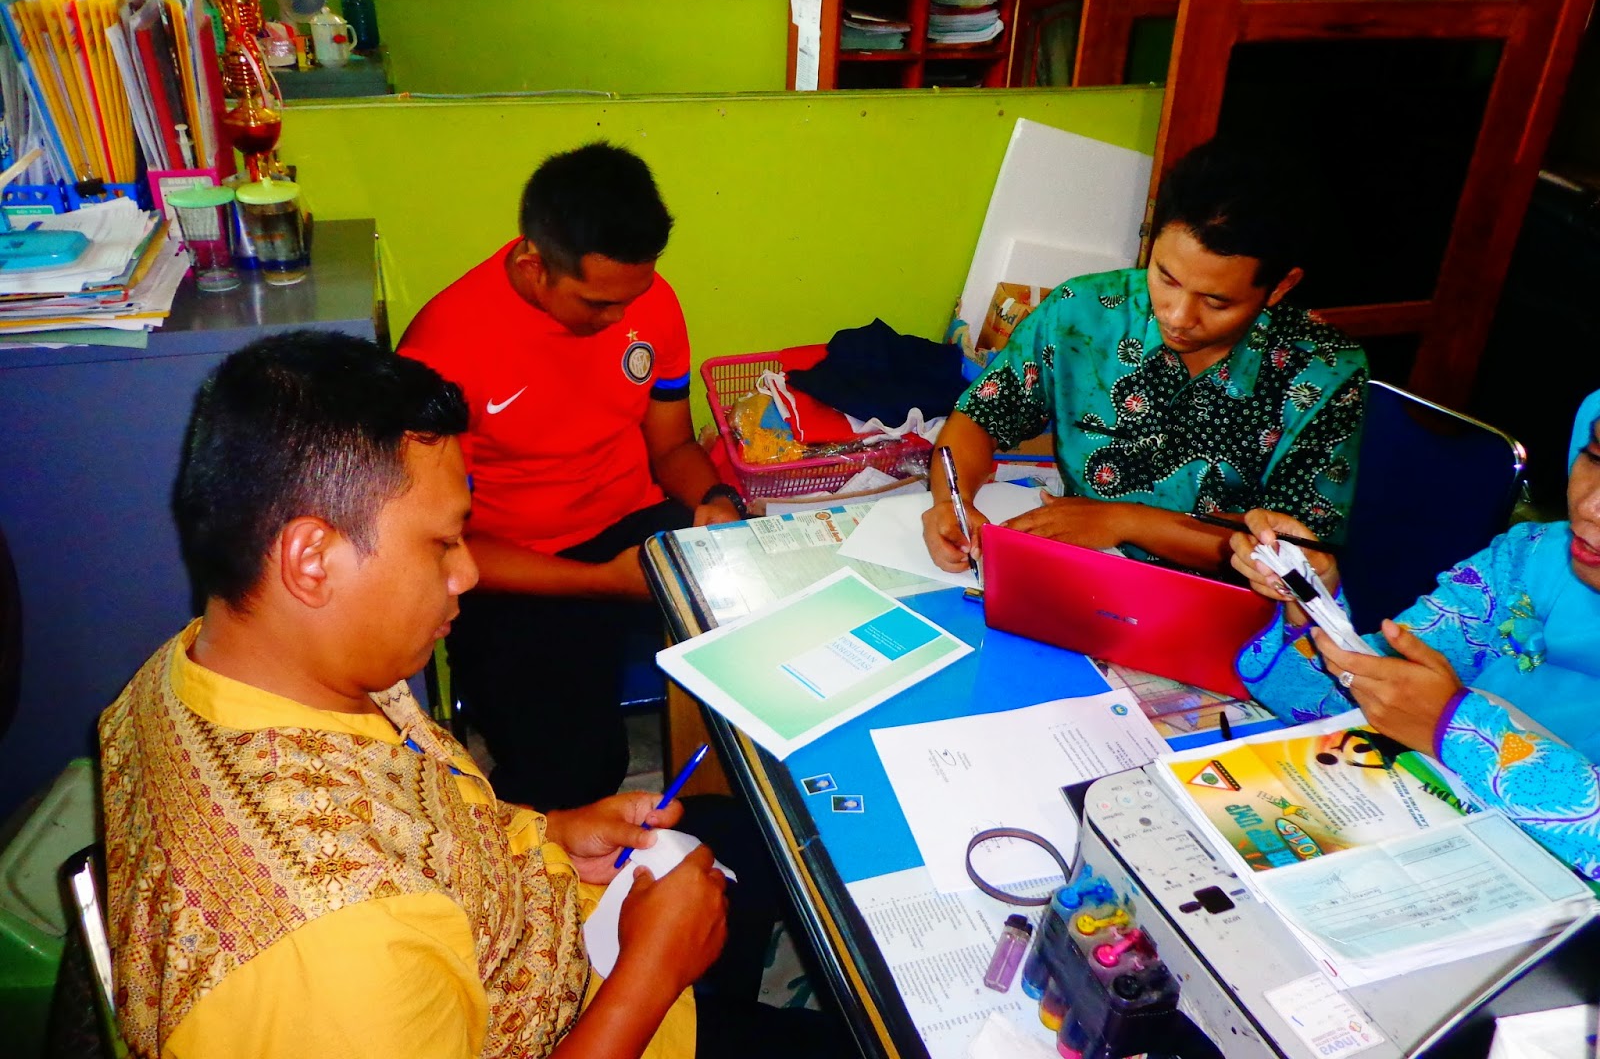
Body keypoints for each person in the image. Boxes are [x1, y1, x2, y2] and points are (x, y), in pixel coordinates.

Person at [100, 331, 811, 1058]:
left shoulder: (227, 664)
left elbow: (419, 817)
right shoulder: (330, 943)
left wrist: (549, 836)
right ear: (313, 560)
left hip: (538, 931)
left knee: (753, 833)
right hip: (598, 1015)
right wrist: (653, 972)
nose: (468, 573)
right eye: (442, 544)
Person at [398, 143, 742, 810]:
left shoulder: (648, 302)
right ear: (534, 263)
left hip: (628, 522)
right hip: (512, 566)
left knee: (766, 639)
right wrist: (603, 581)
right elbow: (440, 545)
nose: (619, 319)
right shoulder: (442, 349)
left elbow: (671, 446)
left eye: (632, 298)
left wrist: (716, 498)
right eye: (596, 303)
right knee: (577, 776)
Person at [922, 138, 1368, 575]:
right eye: (1166, 277)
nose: (1177, 316)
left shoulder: (1322, 373)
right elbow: (980, 418)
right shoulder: (1084, 313)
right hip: (1083, 570)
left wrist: (1124, 522)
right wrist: (950, 504)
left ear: (1280, 286)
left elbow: (1296, 553)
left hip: (1222, 599)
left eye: (1216, 302)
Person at [1229, 390, 1600, 877]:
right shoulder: (1529, 562)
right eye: (1595, 457)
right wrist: (1312, 599)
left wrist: (1453, 729)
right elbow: (1338, 704)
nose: (1590, 506)